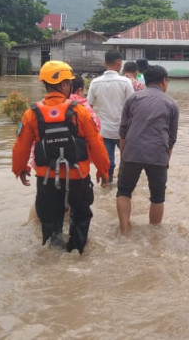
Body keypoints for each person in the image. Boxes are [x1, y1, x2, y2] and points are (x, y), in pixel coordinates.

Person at [12, 61, 110, 254]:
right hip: (78, 177)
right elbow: (96, 144)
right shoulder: (80, 111)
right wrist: (103, 170)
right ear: (65, 85)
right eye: (69, 83)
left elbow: (21, 147)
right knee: (80, 217)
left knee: (49, 221)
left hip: (46, 178)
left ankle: (53, 256)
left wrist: (20, 170)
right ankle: (78, 253)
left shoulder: (31, 113)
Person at [116, 65, 179, 235]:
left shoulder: (132, 99)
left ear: (146, 81)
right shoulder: (171, 104)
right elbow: (172, 138)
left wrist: (123, 156)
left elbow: (123, 131)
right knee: (157, 197)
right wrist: (166, 160)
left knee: (124, 191)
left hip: (132, 151)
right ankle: (154, 235)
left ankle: (124, 230)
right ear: (164, 81)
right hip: (158, 154)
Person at [87, 50, 135, 184]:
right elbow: (133, 106)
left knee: (107, 162)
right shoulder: (125, 82)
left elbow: (88, 108)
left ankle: (106, 185)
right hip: (123, 131)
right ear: (119, 64)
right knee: (127, 160)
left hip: (104, 130)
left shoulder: (95, 83)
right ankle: (124, 186)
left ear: (104, 63)